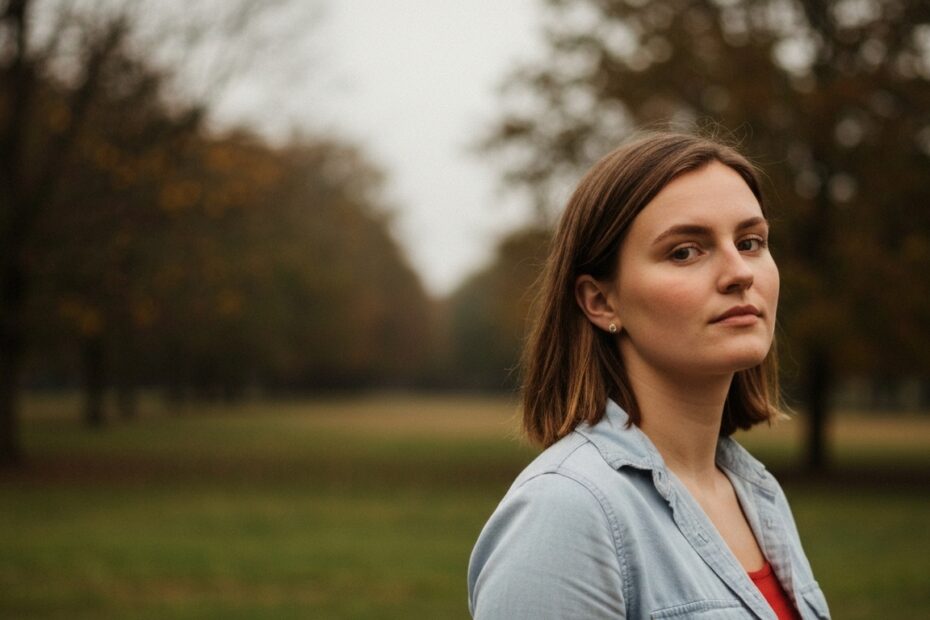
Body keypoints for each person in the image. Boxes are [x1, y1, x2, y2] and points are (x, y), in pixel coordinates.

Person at [467, 132, 831, 619]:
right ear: (601, 301)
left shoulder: (754, 493)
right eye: (685, 252)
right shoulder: (568, 510)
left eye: (750, 242)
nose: (739, 272)